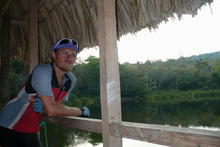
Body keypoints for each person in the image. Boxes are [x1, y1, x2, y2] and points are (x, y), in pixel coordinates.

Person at [0, 38, 90, 147]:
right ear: (54, 55)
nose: (69, 58)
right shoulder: (42, 70)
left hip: (30, 128)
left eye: (73, 55)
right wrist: (80, 111)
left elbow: (57, 108)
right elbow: (52, 110)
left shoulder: (71, 80)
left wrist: (44, 109)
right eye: (64, 53)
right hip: (9, 123)